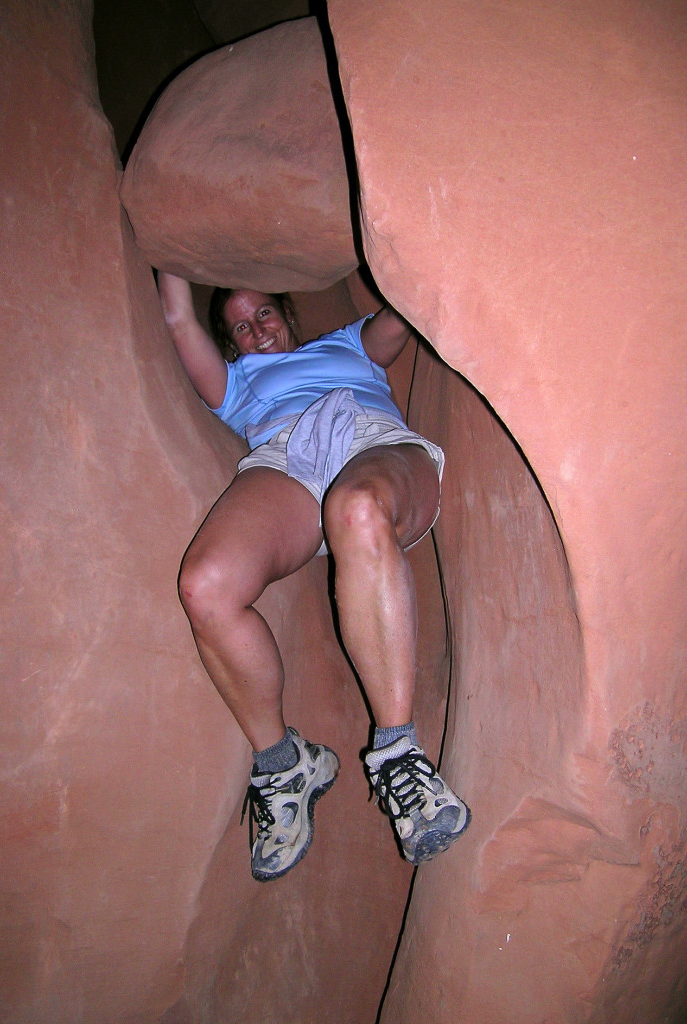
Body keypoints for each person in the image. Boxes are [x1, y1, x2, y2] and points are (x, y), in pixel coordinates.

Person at [158, 271, 471, 882]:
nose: (258, 331)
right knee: (205, 586)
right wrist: (166, 237)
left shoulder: (347, 344)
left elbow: (402, 315)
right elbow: (178, 319)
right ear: (233, 345)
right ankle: (284, 763)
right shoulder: (235, 383)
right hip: (286, 459)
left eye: (266, 314)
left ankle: (400, 754)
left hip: (370, 442)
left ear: (290, 316)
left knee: (356, 508)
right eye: (241, 328)